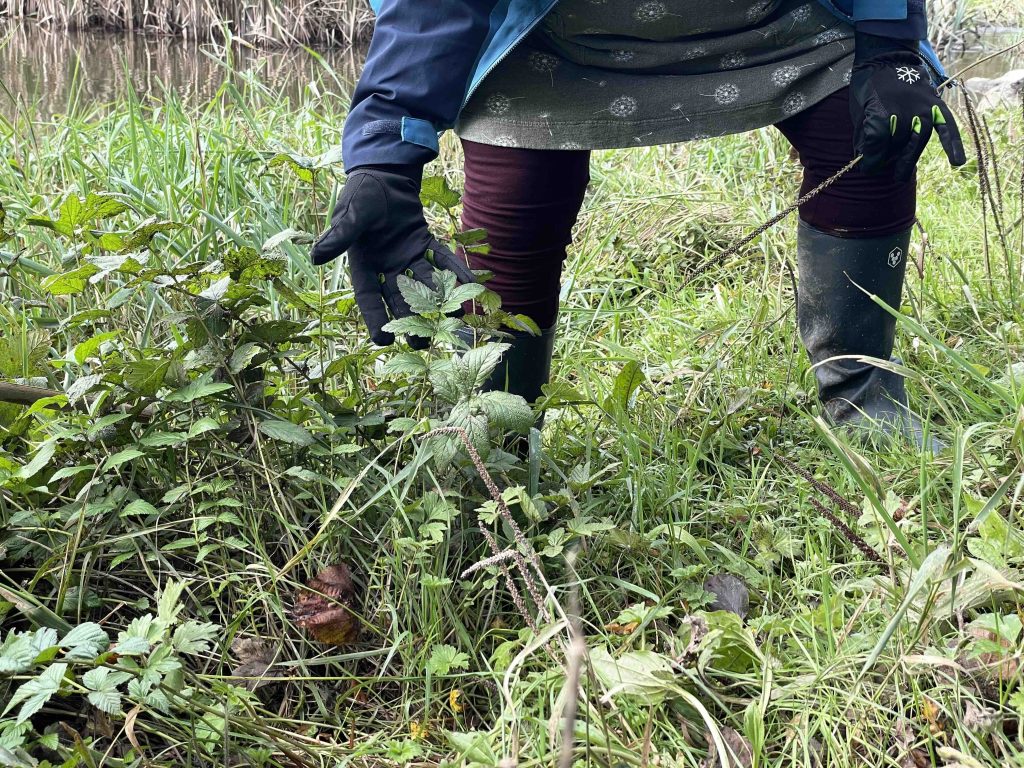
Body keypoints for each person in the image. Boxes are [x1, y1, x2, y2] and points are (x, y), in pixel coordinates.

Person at [310, 0, 966, 449]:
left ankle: (863, 396)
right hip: (551, 33)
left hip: (776, 19)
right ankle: (500, 439)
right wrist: (386, 155)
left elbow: (887, 47)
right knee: (517, 211)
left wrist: (890, 46)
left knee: (873, 132)